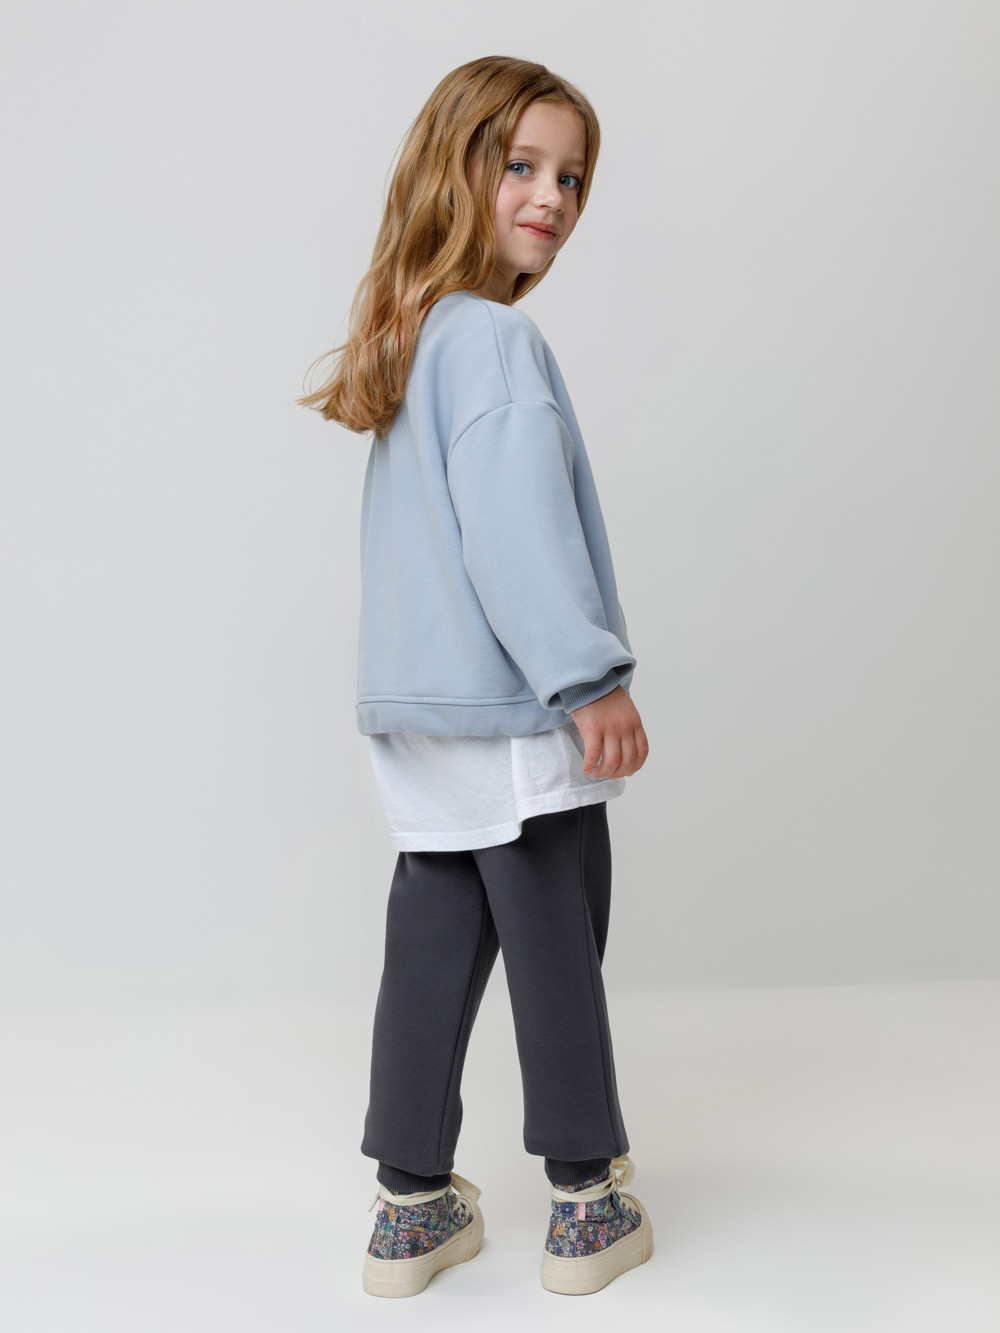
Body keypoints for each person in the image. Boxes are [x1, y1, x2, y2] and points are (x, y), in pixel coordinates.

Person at [298, 54, 653, 1299]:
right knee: (556, 938)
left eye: (572, 178)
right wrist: (587, 678)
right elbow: (514, 532)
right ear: (453, 171)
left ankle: (409, 1208)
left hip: (420, 715)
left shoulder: (414, 337)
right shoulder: (497, 339)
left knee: (432, 942)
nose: (552, 197)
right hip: (512, 705)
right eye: (521, 165)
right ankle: (584, 1202)